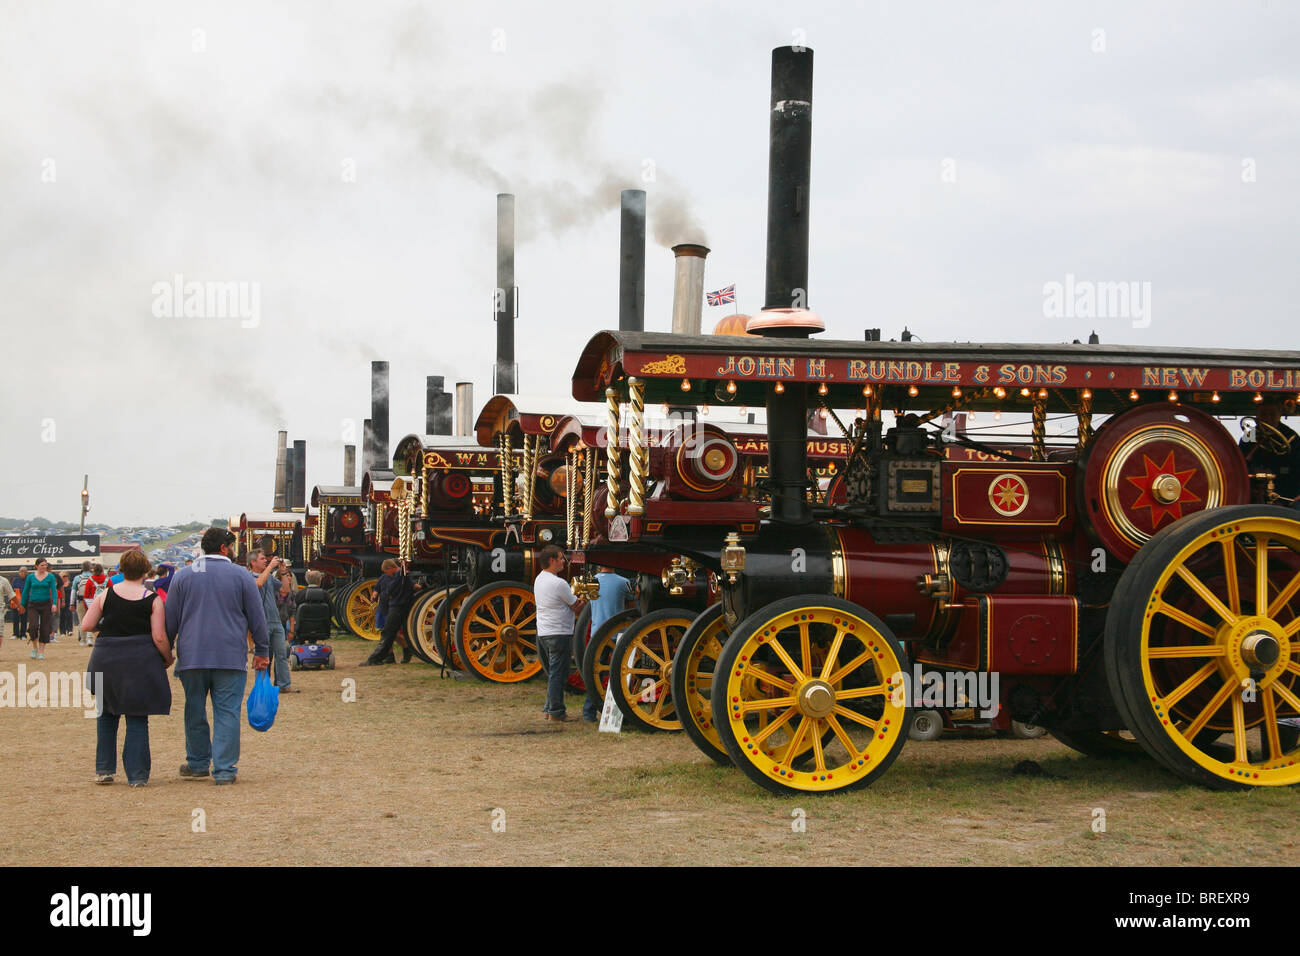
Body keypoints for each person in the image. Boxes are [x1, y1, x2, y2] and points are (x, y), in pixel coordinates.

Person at [164, 527, 269, 785]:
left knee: (194, 709)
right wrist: (263, 651)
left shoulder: (183, 576)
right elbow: (257, 617)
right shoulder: (242, 576)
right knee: (227, 712)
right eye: (232, 547)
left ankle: (198, 762)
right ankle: (224, 770)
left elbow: (170, 621)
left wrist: (166, 650)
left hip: (192, 655)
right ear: (224, 548)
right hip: (230, 655)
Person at [81, 549, 173, 787]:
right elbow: (159, 637)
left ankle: (104, 770)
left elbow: (86, 625)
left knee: (106, 714)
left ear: (120, 570)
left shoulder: (105, 595)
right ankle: (137, 775)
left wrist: (107, 629)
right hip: (139, 660)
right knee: (137, 716)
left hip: (106, 658)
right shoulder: (152, 599)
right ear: (145, 571)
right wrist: (167, 658)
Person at [533, 545, 584, 723]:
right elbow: (576, 606)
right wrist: (586, 598)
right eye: (561, 558)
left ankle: (550, 708)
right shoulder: (559, 583)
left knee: (555, 672)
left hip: (545, 632)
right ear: (552, 560)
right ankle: (556, 711)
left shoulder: (539, 579)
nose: (564, 561)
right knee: (559, 674)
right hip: (559, 632)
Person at [582, 567, 634, 721]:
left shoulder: (591, 582)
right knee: (623, 673)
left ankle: (588, 712)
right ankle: (624, 712)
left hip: (598, 632)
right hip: (618, 633)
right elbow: (631, 609)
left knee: (594, 674)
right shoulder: (623, 582)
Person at [247, 551, 295, 694]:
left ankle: (283, 684)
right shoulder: (248, 577)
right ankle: (261, 685)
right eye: (262, 559)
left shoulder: (268, 576)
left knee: (281, 654)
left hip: (276, 621)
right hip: (261, 622)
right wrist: (270, 568)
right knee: (263, 654)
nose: (265, 561)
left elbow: (285, 590)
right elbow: (259, 583)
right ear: (253, 562)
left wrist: (284, 572)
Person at [1241, 400, 1300, 501]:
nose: (1267, 418)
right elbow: (1241, 461)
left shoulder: (1291, 437)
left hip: (1285, 491)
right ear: (1257, 416)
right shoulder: (1250, 436)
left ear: (1279, 415)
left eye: (1272, 414)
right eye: (1263, 414)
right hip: (1254, 491)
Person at [361, 559, 416, 665]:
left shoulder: (401, 576)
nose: (386, 574)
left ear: (390, 568)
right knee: (388, 632)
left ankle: (377, 658)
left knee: (388, 633)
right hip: (388, 606)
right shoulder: (392, 576)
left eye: (386, 571)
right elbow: (379, 588)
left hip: (396, 606)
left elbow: (411, 586)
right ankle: (389, 656)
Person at [19, 558, 60, 659]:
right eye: (42, 565)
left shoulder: (50, 576)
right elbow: (25, 591)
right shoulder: (30, 577)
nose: (44, 567)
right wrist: (22, 605)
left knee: (45, 628)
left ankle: (41, 652)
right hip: (33, 604)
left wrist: (54, 603)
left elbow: (54, 591)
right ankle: (34, 648)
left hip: (46, 604)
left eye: (45, 565)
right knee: (33, 626)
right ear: (36, 566)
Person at [293, 570, 333, 644]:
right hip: (322, 629)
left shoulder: (300, 594)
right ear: (319, 580)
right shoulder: (326, 595)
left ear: (306, 580)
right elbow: (331, 612)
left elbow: (295, 612)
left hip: (302, 629)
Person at [81, 564, 112, 647]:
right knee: (104, 620)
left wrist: (86, 605)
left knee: (91, 620)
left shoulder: (90, 580)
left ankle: (90, 638)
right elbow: (111, 591)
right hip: (105, 602)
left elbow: (86, 594)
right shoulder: (107, 580)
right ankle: (104, 637)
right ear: (102, 570)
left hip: (92, 602)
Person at [71, 561, 93, 644]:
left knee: (81, 620)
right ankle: (90, 638)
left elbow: (73, 592)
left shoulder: (77, 578)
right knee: (90, 619)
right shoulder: (93, 577)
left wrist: (72, 603)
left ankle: (83, 640)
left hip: (80, 600)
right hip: (91, 601)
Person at [11, 568, 29, 640]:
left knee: (24, 618)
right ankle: (15, 634)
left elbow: (28, 590)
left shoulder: (28, 580)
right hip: (16, 601)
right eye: (20, 572)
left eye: (23, 572)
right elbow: (12, 590)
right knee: (15, 618)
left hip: (25, 601)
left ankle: (23, 634)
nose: (21, 573)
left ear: (26, 573)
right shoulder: (15, 580)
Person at [58, 571, 74, 636]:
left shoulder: (71, 584)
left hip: (69, 602)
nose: (65, 578)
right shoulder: (59, 585)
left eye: (66, 576)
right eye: (64, 576)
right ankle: (62, 631)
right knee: (62, 617)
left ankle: (70, 630)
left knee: (69, 616)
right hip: (61, 602)